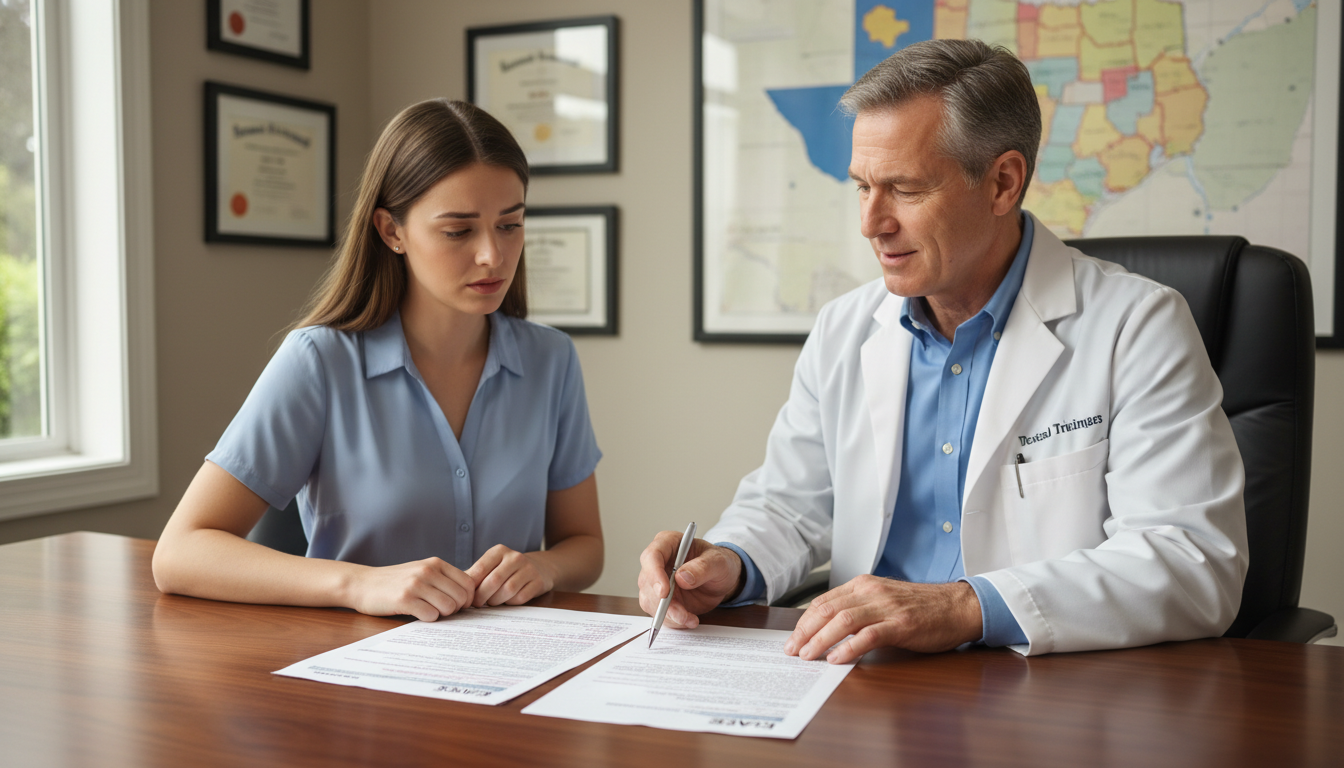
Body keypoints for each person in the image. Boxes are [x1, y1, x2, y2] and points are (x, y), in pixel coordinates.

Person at [637, 39, 1247, 659]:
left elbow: (1192, 560)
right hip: (860, 686)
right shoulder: (844, 328)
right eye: (861, 188)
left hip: (1040, 692)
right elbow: (790, 505)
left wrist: (962, 606)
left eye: (904, 188)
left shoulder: (1137, 325)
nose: (872, 223)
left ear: (1003, 182)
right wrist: (729, 563)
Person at [154, 99, 604, 621]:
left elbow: (584, 544)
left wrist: (545, 567)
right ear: (391, 232)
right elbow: (179, 553)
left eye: (510, 225)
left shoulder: (552, 360)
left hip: (507, 669)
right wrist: (359, 585)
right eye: (458, 231)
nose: (493, 256)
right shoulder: (318, 361)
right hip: (356, 670)